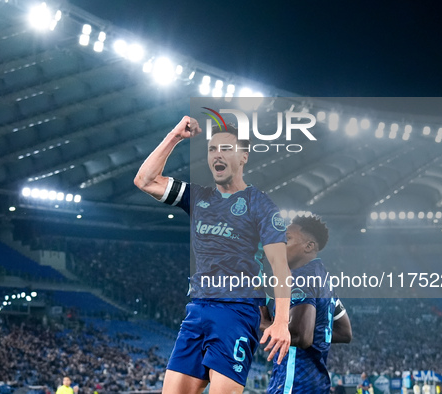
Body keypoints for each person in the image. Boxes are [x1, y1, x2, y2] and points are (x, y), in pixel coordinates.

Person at [134, 116, 292, 394]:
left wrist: (281, 322)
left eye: (226, 149)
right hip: (197, 310)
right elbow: (145, 180)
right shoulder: (198, 197)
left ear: (243, 157)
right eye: (212, 149)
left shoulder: (260, 204)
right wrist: (175, 136)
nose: (217, 155)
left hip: (237, 312)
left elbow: (280, 266)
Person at [261, 215, 352, 393]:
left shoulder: (301, 277)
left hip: (294, 385)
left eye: (287, 239)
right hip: (316, 384)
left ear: (309, 246)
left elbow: (302, 338)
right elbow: (344, 331)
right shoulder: (324, 280)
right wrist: (315, 332)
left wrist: (266, 325)